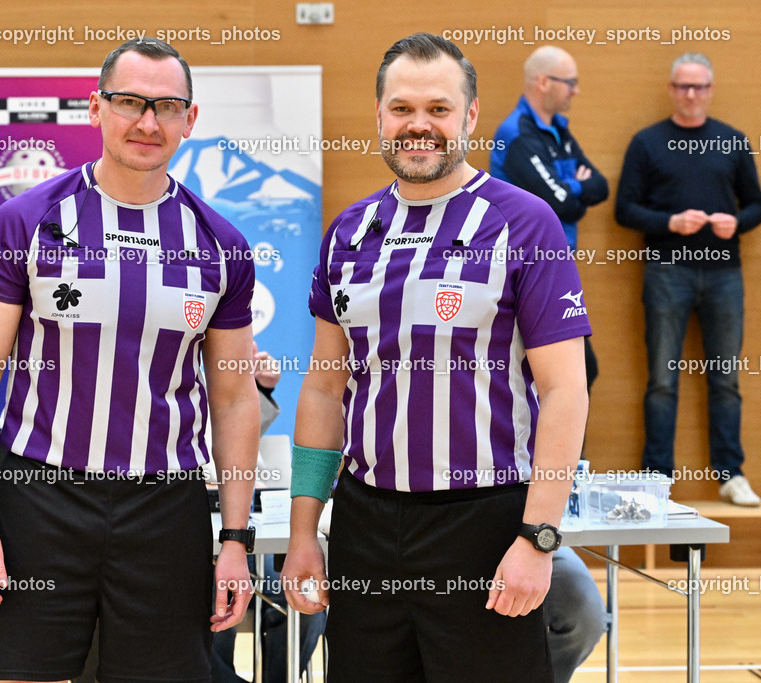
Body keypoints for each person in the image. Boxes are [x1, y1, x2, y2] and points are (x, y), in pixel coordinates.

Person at [0, 37, 260, 683]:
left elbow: (233, 399)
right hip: (39, 498)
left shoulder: (220, 244)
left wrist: (235, 540)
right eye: (129, 102)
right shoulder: (24, 223)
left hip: (165, 504)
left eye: (167, 106)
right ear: (96, 109)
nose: (148, 122)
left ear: (189, 120)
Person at [281, 33, 590, 681]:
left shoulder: (523, 224)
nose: (418, 124)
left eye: (439, 109)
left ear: (471, 116)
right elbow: (322, 389)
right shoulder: (350, 231)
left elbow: (565, 390)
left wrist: (538, 539)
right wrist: (304, 531)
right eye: (401, 108)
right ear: (379, 116)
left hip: (485, 518)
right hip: (366, 520)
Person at [491, 46, 609, 681]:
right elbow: (562, 197)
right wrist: (573, 189)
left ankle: (558, 484)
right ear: (543, 82)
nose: (576, 92)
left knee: (578, 378)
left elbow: (596, 187)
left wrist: (575, 189)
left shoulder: (558, 129)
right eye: (569, 82)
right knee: (549, 381)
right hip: (522, 279)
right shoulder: (516, 136)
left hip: (558, 276)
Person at [615, 52, 761, 507]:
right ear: (672, 89)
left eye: (698, 86)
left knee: (725, 378)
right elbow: (625, 209)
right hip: (665, 273)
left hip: (724, 276)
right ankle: (656, 480)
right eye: (683, 86)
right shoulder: (647, 142)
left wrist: (737, 223)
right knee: (661, 378)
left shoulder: (733, 141)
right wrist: (670, 222)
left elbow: (756, 204)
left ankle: (730, 474)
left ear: (711, 89)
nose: (691, 94)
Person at [211, 345, 327, 683]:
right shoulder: (178, 383)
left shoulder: (241, 390)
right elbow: (212, 441)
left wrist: (258, 389)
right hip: (196, 541)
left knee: (305, 598)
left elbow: (236, 434)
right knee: (217, 599)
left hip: (252, 541)